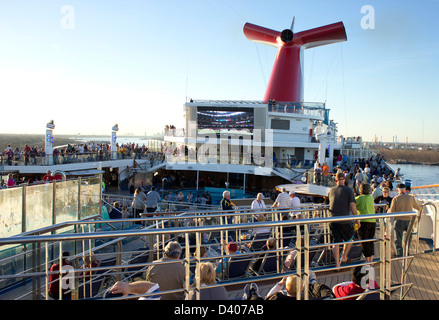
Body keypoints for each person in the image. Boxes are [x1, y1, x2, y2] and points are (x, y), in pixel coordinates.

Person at [327, 172, 360, 268]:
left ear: (336, 180)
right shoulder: (349, 190)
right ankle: (344, 257)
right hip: (344, 220)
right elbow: (353, 206)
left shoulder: (331, 190)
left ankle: (337, 264)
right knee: (350, 239)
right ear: (344, 180)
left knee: (336, 243)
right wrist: (357, 219)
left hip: (333, 220)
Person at [388, 183, 422, 257]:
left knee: (398, 238)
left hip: (399, 221)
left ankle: (399, 253)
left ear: (398, 190)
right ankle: (406, 251)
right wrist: (421, 208)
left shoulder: (395, 199)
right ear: (405, 190)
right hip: (409, 220)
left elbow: (391, 212)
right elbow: (418, 207)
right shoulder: (410, 198)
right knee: (408, 237)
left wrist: (391, 222)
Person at [265, 273, 333, 300]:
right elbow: (327, 293)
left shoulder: (277, 297)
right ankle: (311, 282)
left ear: (287, 289)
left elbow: (267, 298)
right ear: (302, 289)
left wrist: (280, 283)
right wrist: (313, 283)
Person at [355, 183, 376, 263]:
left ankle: (367, 261)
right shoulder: (371, 198)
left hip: (363, 222)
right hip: (372, 221)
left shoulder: (358, 198)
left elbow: (352, 205)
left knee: (364, 242)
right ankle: (371, 260)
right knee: (370, 241)